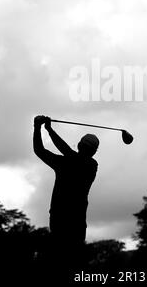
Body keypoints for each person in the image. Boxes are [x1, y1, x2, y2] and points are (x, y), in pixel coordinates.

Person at [33, 115, 99, 274]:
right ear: (94, 151)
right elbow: (65, 152)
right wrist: (47, 129)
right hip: (76, 222)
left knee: (58, 263)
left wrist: (40, 128)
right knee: (74, 264)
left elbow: (40, 150)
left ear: (79, 145)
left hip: (59, 219)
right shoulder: (91, 165)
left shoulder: (68, 163)